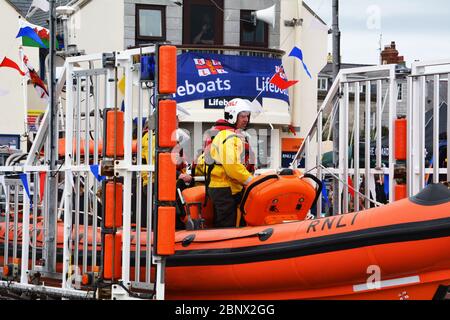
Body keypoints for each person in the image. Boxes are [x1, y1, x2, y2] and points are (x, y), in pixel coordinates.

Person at [201, 98, 256, 228]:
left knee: (226, 223)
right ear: (232, 116)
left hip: (221, 187)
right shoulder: (229, 136)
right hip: (225, 188)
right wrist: (252, 181)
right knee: (226, 226)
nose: (246, 120)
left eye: (247, 116)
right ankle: (224, 248)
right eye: (242, 116)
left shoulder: (221, 134)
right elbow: (233, 167)